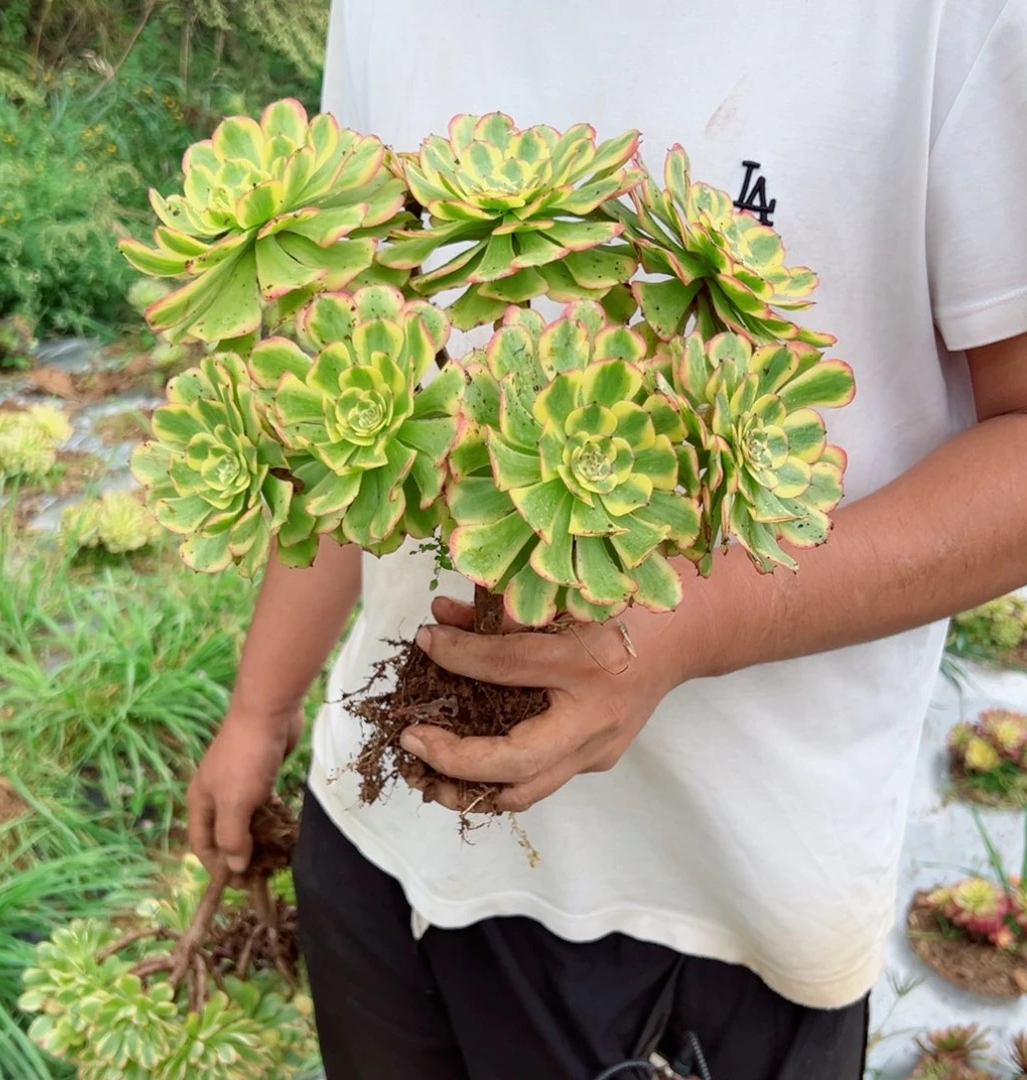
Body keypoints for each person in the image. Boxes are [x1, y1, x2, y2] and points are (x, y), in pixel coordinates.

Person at [186, 2, 1027, 1077]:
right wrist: (260, 707)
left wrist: (692, 626)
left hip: (713, 912)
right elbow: (361, 374)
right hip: (378, 833)